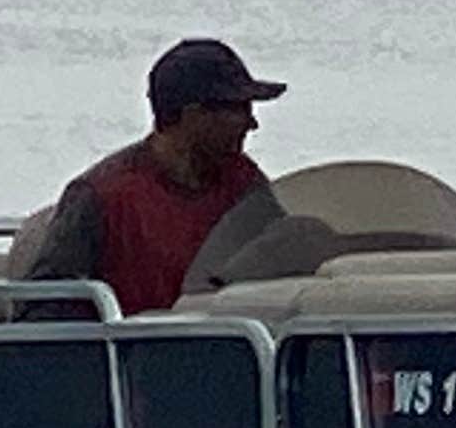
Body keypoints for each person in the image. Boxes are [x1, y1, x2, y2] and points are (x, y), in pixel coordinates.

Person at [16, 36, 286, 315]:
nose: (252, 124)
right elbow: (41, 313)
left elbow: (282, 259)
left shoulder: (243, 182)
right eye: (240, 109)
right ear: (194, 116)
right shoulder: (102, 196)